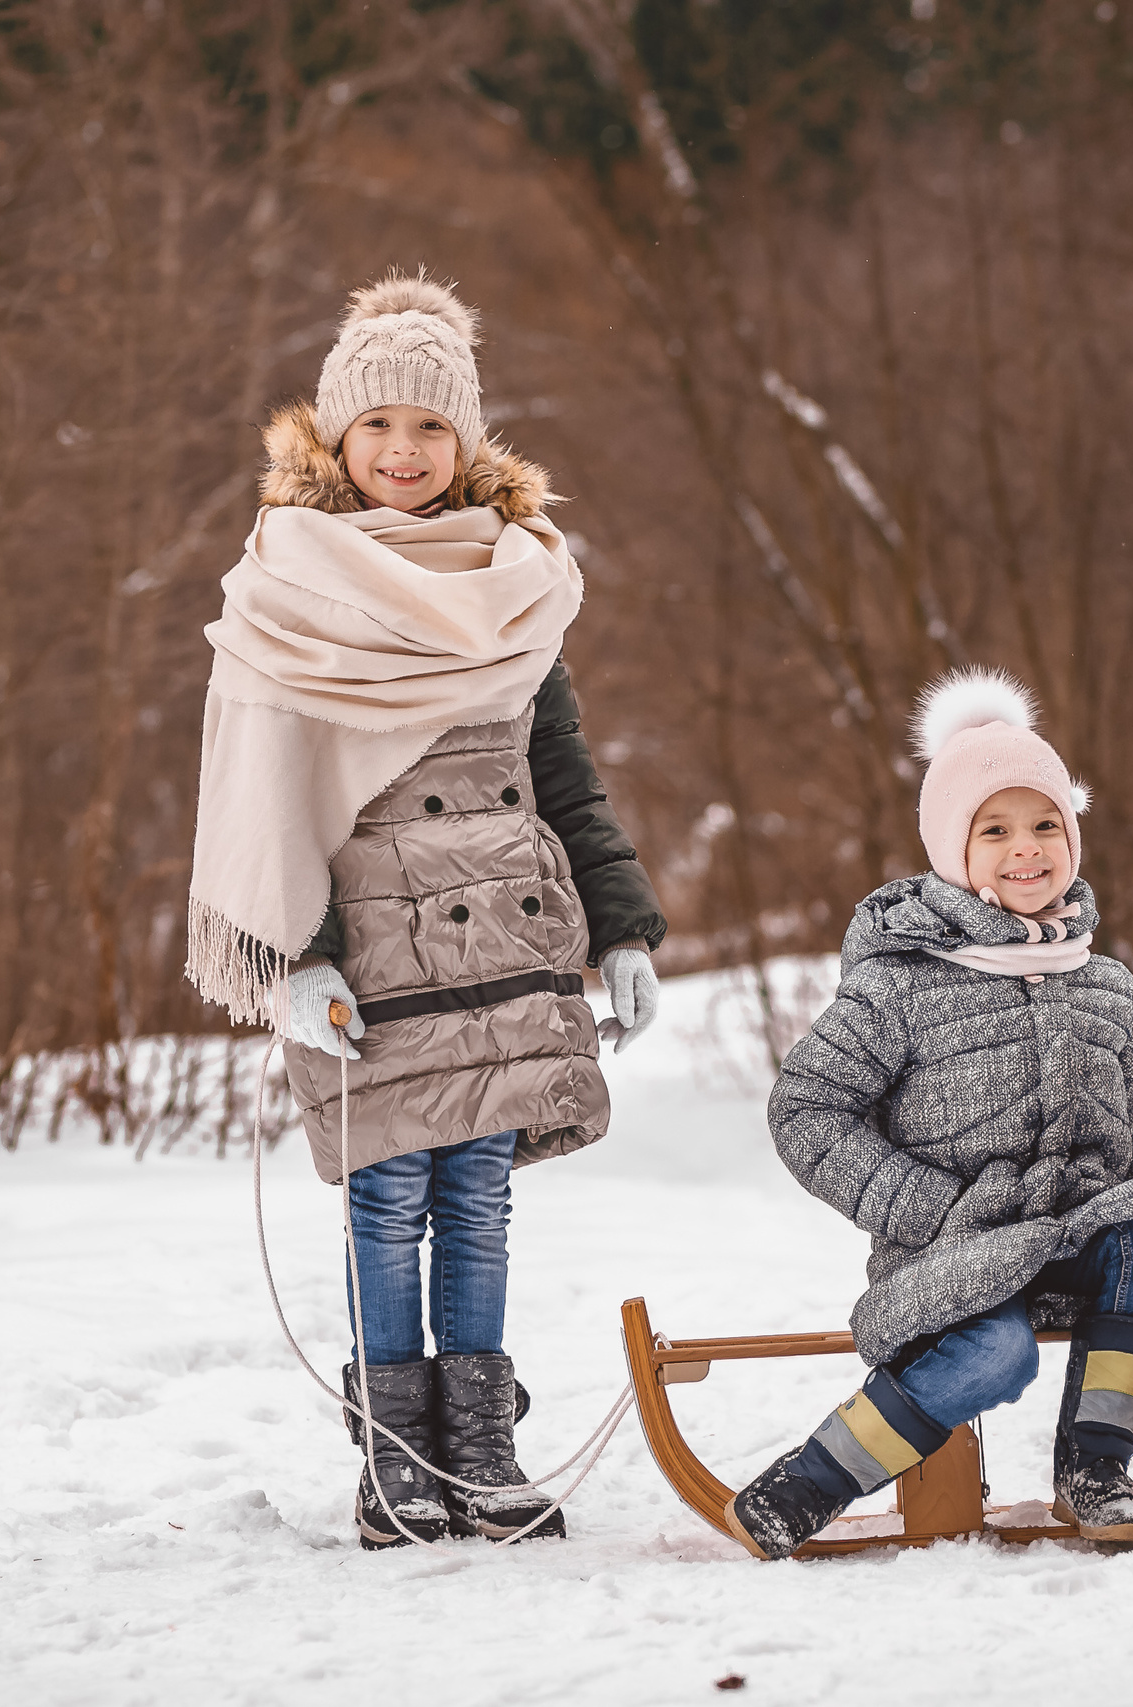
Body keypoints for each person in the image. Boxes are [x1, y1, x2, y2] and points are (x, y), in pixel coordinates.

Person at [185, 273, 665, 1549]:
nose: (405, 452)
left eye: (432, 428)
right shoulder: (286, 583)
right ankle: (396, 1456)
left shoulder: (520, 582)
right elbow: (258, 787)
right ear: (338, 441)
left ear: (469, 443)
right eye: (380, 427)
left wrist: (621, 927)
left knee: (481, 1197)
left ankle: (482, 1446)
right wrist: (291, 955)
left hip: (506, 939)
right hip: (368, 952)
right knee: (387, 1198)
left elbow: (563, 777)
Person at [727, 668, 1133, 1559]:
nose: (1026, 849)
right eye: (995, 829)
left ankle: (1096, 1467)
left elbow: (1116, 1130)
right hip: (953, 1244)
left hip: (1072, 1236)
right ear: (954, 848)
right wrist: (926, 1205)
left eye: (1045, 826)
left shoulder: (1105, 983)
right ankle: (813, 1479)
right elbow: (806, 1110)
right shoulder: (900, 984)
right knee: (997, 1356)